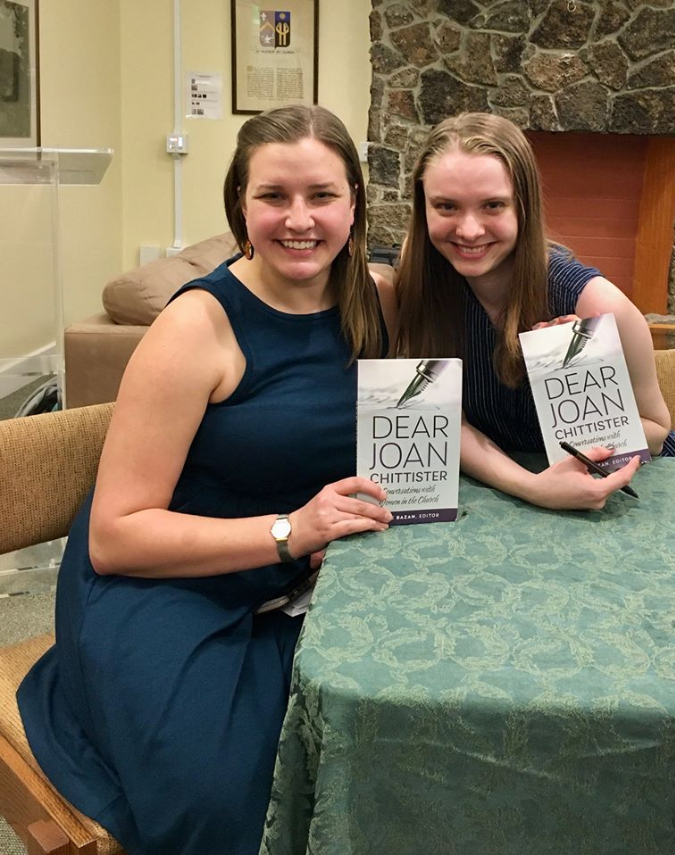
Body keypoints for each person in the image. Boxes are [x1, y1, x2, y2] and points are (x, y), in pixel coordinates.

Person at [18, 105, 397, 855]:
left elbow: (492, 271)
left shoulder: (378, 299)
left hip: (303, 570)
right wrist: (293, 530)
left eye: (322, 195)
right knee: (225, 805)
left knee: (385, 742)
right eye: (273, 197)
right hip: (163, 580)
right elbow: (116, 537)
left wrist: (576, 318)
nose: (299, 219)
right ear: (239, 206)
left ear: (355, 203)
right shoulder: (197, 327)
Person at [396, 112, 675, 512]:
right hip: (508, 490)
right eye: (446, 206)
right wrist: (532, 487)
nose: (468, 230)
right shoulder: (420, 284)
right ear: (424, 207)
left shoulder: (597, 304)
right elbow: (441, 420)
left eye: (492, 205)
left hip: (629, 493)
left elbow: (658, 433)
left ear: (524, 206)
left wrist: (584, 382)